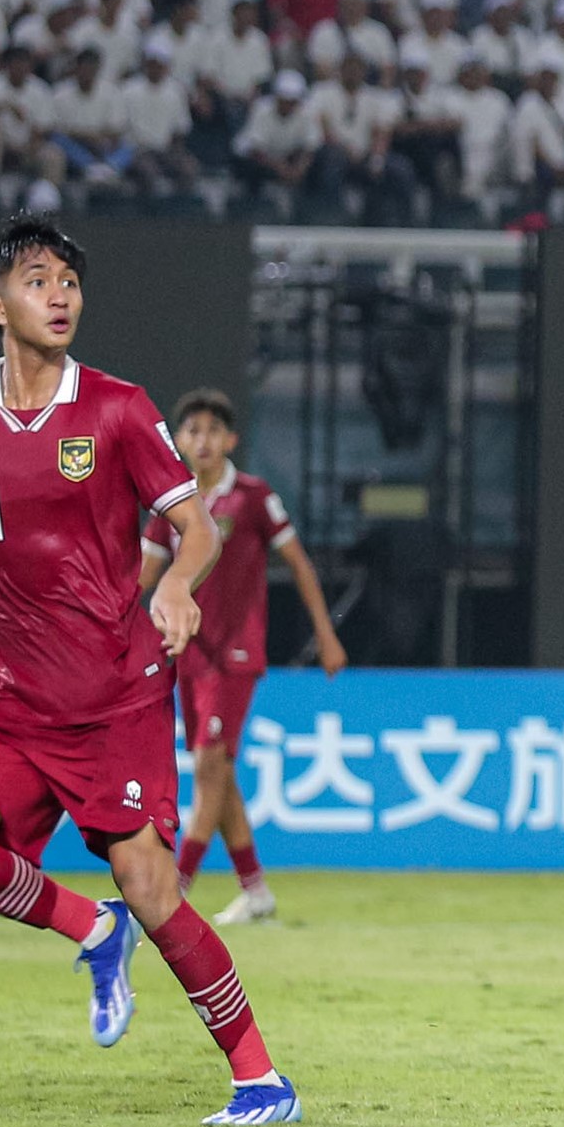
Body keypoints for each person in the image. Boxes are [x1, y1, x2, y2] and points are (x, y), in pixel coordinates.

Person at [0, 218, 301, 1126]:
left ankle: (261, 1078)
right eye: (39, 279)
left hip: (115, 693)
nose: (62, 293)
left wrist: (180, 588)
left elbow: (197, 525)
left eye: (70, 278)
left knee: (156, 890)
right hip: (18, 701)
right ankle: (89, 925)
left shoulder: (116, 407)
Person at [140, 389, 347, 925]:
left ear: (231, 440)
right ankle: (255, 891)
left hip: (236, 651)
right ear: (179, 440)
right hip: (186, 651)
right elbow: (142, 576)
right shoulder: (172, 506)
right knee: (219, 771)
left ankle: (174, 886)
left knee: (210, 764)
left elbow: (298, 564)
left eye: (213, 430)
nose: (203, 440)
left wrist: (326, 634)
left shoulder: (253, 496)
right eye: (193, 430)